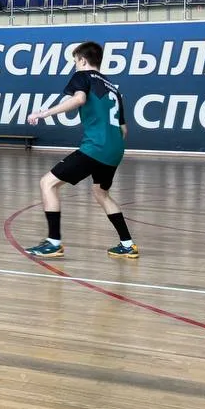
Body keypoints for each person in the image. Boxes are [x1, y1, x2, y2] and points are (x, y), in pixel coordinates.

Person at [23, 41, 137, 260]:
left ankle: (53, 242)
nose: (75, 65)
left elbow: (79, 99)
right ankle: (127, 244)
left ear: (83, 60)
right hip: (115, 150)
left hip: (95, 147)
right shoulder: (113, 88)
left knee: (48, 183)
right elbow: (124, 129)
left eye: (75, 61)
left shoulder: (82, 76)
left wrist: (43, 113)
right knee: (101, 193)